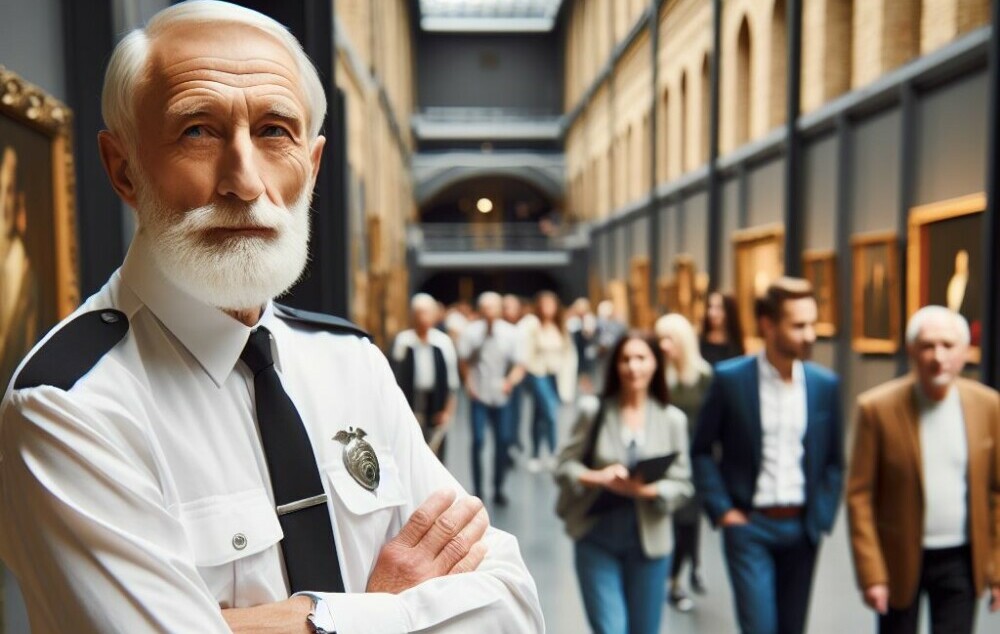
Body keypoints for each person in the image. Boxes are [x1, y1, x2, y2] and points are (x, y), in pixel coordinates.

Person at [0, 3, 544, 632]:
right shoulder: (72, 407)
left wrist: (278, 622)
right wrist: (389, 606)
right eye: (197, 131)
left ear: (311, 168)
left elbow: (512, 604)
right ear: (123, 169)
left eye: (274, 131)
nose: (244, 180)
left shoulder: (350, 362)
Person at [691, 277, 844, 634]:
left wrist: (820, 518)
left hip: (802, 528)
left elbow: (834, 461)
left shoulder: (824, 385)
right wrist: (724, 511)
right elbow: (701, 450)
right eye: (799, 325)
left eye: (812, 324)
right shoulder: (731, 379)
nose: (810, 335)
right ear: (768, 325)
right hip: (750, 526)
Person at [846, 305, 1000, 634]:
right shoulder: (877, 409)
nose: (938, 356)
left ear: (965, 351)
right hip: (898, 557)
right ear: (912, 350)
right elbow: (859, 497)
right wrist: (871, 574)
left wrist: (997, 568)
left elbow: (996, 492)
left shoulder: (988, 406)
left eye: (948, 345)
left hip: (962, 558)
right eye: (928, 345)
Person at [555, 331, 693, 634]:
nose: (633, 367)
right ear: (615, 366)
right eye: (625, 359)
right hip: (596, 537)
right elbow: (563, 465)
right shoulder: (595, 412)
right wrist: (596, 477)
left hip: (649, 544)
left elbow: (683, 484)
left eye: (641, 358)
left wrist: (645, 490)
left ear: (655, 364)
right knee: (611, 628)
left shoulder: (672, 420)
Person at [655, 313, 713, 612]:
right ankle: (669, 579)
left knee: (689, 524)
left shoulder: (703, 376)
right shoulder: (656, 377)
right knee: (672, 522)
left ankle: (678, 578)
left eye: (670, 339)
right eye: (660, 339)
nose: (664, 345)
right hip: (664, 463)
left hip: (697, 462)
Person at [457, 291, 525, 506]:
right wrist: (469, 384)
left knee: (502, 441)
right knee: (477, 441)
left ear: (499, 309)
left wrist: (509, 382)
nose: (489, 312)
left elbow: (520, 364)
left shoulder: (511, 333)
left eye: (493, 307)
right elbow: (464, 360)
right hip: (479, 394)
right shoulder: (471, 332)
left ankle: (498, 488)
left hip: (501, 395)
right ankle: (478, 489)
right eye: (485, 307)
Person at [391, 293, 460, 461]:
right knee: (411, 451)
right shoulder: (404, 341)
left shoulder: (442, 342)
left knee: (436, 451)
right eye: (418, 313)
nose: (422, 318)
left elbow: (452, 382)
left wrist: (447, 411)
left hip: (435, 402)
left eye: (426, 313)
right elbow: (395, 377)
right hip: (411, 401)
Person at [523, 290, 577, 472]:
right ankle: (554, 452)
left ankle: (536, 453)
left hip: (555, 375)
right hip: (538, 374)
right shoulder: (533, 326)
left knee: (540, 416)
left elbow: (568, 352)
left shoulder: (561, 326)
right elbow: (526, 352)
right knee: (550, 412)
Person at [699, 291, 745, 366]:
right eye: (710, 307)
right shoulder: (701, 341)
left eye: (718, 308)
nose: (712, 313)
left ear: (728, 311)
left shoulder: (735, 344)